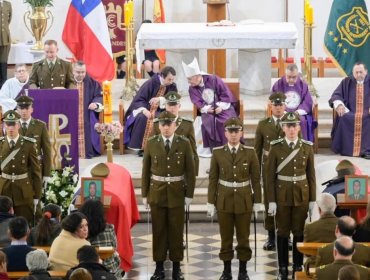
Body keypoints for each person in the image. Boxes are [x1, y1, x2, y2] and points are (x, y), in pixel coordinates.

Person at [141, 111, 195, 280]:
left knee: (176, 231)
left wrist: (189, 194)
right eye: (162, 124)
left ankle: (177, 268)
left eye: (169, 124)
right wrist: (145, 194)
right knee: (158, 231)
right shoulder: (151, 143)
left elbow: (190, 171)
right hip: (157, 193)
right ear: (158, 126)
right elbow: (145, 170)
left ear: (175, 125)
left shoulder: (184, 143)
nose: (165, 128)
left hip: (177, 193)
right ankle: (159, 268)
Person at [207, 117, 262, 280]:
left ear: (241, 133)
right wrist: (210, 202)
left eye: (236, 131)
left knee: (243, 237)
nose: (233, 135)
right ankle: (227, 271)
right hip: (224, 200)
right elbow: (213, 180)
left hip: (244, 200)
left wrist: (258, 201)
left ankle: (243, 271)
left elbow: (256, 179)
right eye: (230, 131)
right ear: (225, 133)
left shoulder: (250, 153)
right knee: (225, 237)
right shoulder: (217, 153)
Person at [266, 112, 316, 280]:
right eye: (288, 126)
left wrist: (312, 200)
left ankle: (297, 264)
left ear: (299, 127)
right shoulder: (276, 147)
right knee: (282, 232)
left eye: (295, 125)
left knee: (299, 232)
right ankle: (282, 267)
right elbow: (269, 177)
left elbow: (311, 176)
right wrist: (271, 200)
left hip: (301, 195)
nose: (292, 129)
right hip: (282, 196)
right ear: (283, 128)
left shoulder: (307, 147)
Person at [182, 57, 237, 150]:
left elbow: (225, 94)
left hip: (223, 107)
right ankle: (214, 148)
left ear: (198, 76)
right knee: (209, 123)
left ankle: (228, 146)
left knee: (226, 121)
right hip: (208, 111)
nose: (188, 82)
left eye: (190, 79)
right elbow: (197, 101)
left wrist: (220, 107)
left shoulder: (214, 79)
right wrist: (206, 109)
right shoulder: (192, 88)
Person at [254, 92, 286, 251]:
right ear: (270, 106)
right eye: (275, 105)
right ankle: (271, 236)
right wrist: (256, 172)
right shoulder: (263, 124)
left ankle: (286, 236)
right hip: (269, 169)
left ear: (284, 106)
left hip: (287, 167)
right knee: (269, 201)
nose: (278, 108)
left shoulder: (292, 122)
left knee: (286, 202)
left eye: (280, 105)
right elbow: (257, 150)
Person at [124, 66, 177, 156]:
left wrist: (160, 99)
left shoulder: (172, 85)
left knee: (162, 118)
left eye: (172, 79)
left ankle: (160, 148)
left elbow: (174, 99)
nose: (171, 82)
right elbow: (139, 100)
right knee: (142, 118)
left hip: (161, 110)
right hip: (145, 109)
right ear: (162, 76)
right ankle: (143, 149)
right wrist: (144, 110)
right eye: (169, 79)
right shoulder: (150, 83)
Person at [0, 110, 42, 224]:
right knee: (3, 226)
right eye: (8, 124)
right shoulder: (1, 144)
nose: (11, 128)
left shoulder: (28, 144)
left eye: (13, 124)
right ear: (4, 125)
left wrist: (36, 196)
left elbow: (36, 172)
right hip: (4, 192)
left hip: (23, 193)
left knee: (24, 224)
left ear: (18, 125)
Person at [329, 62, 370, 158]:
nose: (359, 75)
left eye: (361, 72)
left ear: (366, 72)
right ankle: (345, 149)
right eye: (356, 72)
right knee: (343, 117)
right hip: (350, 112)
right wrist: (339, 104)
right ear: (353, 72)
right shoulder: (346, 82)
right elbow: (336, 95)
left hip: (367, 113)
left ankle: (367, 150)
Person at [153, 91, 199, 175]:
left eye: (174, 105)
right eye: (170, 105)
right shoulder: (157, 124)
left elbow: (193, 149)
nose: (172, 108)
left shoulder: (187, 124)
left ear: (179, 106)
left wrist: (194, 173)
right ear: (165, 106)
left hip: (181, 168)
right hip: (162, 167)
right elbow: (152, 148)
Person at [272, 64, 315, 142]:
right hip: (282, 113)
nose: (291, 79)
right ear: (285, 74)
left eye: (294, 77)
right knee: (280, 121)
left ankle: (301, 147)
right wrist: (282, 111)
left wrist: (298, 112)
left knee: (302, 121)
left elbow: (307, 101)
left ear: (298, 75)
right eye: (289, 77)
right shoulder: (278, 84)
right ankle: (281, 148)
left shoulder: (303, 85)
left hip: (298, 114)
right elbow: (274, 99)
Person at [80, 200, 122, 278]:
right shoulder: (109, 228)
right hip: (109, 268)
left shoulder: (81, 229)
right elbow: (115, 246)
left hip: (87, 270)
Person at [16, 95, 52, 179]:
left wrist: (46, 174)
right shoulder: (12, 126)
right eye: (21, 108)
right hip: (17, 170)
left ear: (32, 110)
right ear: (17, 110)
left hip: (35, 168)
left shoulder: (40, 126)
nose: (24, 111)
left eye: (27, 108)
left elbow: (47, 151)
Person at [73, 61, 103, 159]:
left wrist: (96, 103)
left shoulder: (92, 83)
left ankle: (87, 152)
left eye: (83, 72)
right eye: (78, 72)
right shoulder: (67, 82)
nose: (81, 75)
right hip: (72, 117)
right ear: (73, 71)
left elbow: (99, 96)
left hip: (86, 117)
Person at [303, 193, 338, 272]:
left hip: (317, 265)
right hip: (339, 266)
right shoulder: (344, 224)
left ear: (319, 209)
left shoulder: (310, 227)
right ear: (335, 207)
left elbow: (307, 253)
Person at [0, 0, 11, 88]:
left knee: (3, 61)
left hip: (5, 38)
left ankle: (3, 85)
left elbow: (8, 20)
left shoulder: (8, 4)